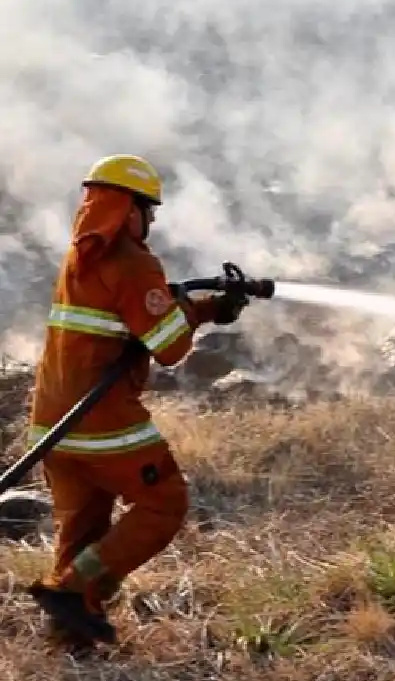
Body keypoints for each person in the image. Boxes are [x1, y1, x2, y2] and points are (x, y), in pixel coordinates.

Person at [24, 154, 248, 647]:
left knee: (83, 528)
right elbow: (168, 346)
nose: (150, 222)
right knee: (164, 503)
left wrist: (208, 306)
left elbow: (133, 317)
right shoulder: (133, 261)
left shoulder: (80, 256)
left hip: (52, 423)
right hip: (103, 422)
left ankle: (71, 635)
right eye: (148, 211)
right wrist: (196, 311)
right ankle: (70, 590)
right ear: (129, 209)